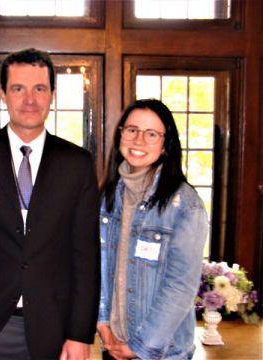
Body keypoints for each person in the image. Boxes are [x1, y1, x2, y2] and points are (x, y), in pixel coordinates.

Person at [0, 48, 100, 359]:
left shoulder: (77, 164)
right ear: (2, 94)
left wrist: (79, 333)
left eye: (39, 89)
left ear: (52, 95)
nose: (29, 99)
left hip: (54, 327)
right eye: (18, 88)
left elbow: (86, 256)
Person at [97, 99, 208, 359]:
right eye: (132, 130)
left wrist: (139, 347)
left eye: (151, 134)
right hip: (113, 345)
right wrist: (102, 322)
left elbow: (180, 287)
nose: (139, 140)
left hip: (159, 352)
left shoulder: (185, 206)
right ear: (120, 133)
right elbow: (100, 265)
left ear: (165, 144)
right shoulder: (108, 197)